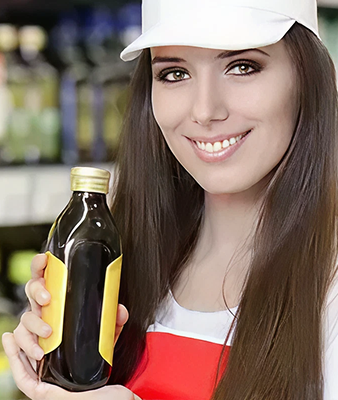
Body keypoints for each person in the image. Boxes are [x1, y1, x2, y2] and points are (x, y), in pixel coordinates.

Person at [2, 0, 338, 398]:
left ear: (309, 76)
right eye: (175, 73)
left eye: (242, 66)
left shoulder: (327, 289)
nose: (204, 110)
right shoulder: (127, 263)